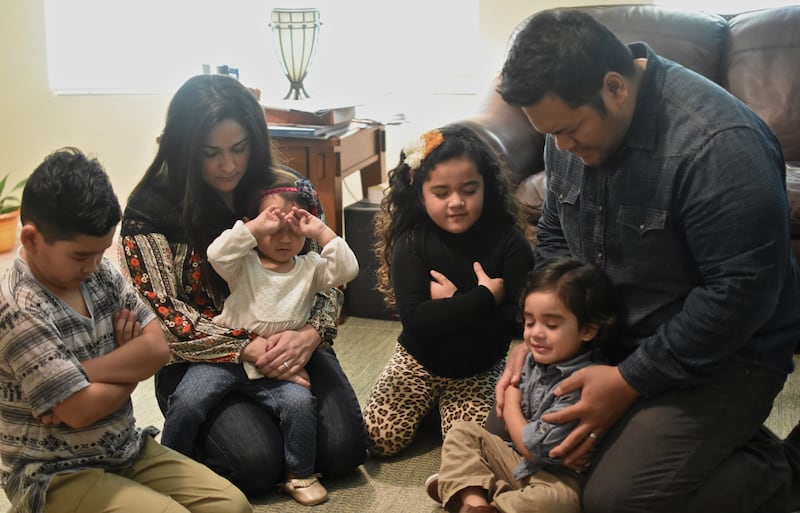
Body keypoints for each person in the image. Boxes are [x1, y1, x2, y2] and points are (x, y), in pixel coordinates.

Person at [495, 9, 800, 513]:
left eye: (569, 129)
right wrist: (544, 328)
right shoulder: (565, 136)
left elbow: (738, 297)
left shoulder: (719, 146)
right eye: (552, 135)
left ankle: (784, 472)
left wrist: (628, 380)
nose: (562, 146)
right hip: (610, 333)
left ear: (615, 86)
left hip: (727, 354)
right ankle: (699, 444)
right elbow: (553, 234)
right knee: (515, 434)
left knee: (615, 499)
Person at [118, 73, 367, 496]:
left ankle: (274, 414)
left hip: (292, 343)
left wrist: (311, 334)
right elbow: (162, 313)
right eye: (210, 153)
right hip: (202, 359)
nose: (229, 165)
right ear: (184, 149)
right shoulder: (151, 208)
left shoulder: (288, 190)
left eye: (239, 148)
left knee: (344, 452)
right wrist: (245, 345)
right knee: (256, 465)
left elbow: (325, 277)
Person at [0, 147, 251, 513]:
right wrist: (130, 370)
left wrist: (81, 374)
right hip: (53, 474)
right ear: (32, 239)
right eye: (80, 256)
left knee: (233, 506)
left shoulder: (99, 274)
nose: (93, 265)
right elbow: (79, 411)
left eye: (101, 252)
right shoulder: (18, 308)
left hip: (124, 448)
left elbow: (158, 348)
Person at [160, 169, 359, 506]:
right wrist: (253, 229)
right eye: (273, 229)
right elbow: (217, 253)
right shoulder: (244, 263)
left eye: (292, 231)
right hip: (229, 358)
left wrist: (321, 231)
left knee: (299, 404)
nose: (283, 240)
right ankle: (171, 465)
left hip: (279, 364)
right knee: (188, 400)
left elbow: (347, 270)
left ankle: (299, 474)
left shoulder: (310, 267)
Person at [362, 125, 535, 457]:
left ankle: (439, 410)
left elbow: (518, 320)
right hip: (416, 362)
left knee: (471, 449)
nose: (456, 202)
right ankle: (430, 405)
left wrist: (451, 305)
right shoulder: (411, 241)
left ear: (486, 186)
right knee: (378, 440)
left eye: (469, 189)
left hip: (478, 369)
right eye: (441, 193)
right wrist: (484, 298)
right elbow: (415, 320)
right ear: (420, 193)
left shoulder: (509, 242)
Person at [426, 258, 619, 513]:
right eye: (530, 322)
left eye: (551, 325)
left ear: (588, 330)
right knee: (461, 432)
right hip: (515, 460)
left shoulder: (582, 382)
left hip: (556, 476)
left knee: (557, 501)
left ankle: (474, 490)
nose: (536, 333)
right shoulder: (535, 358)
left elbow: (533, 449)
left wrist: (511, 399)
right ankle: (476, 503)